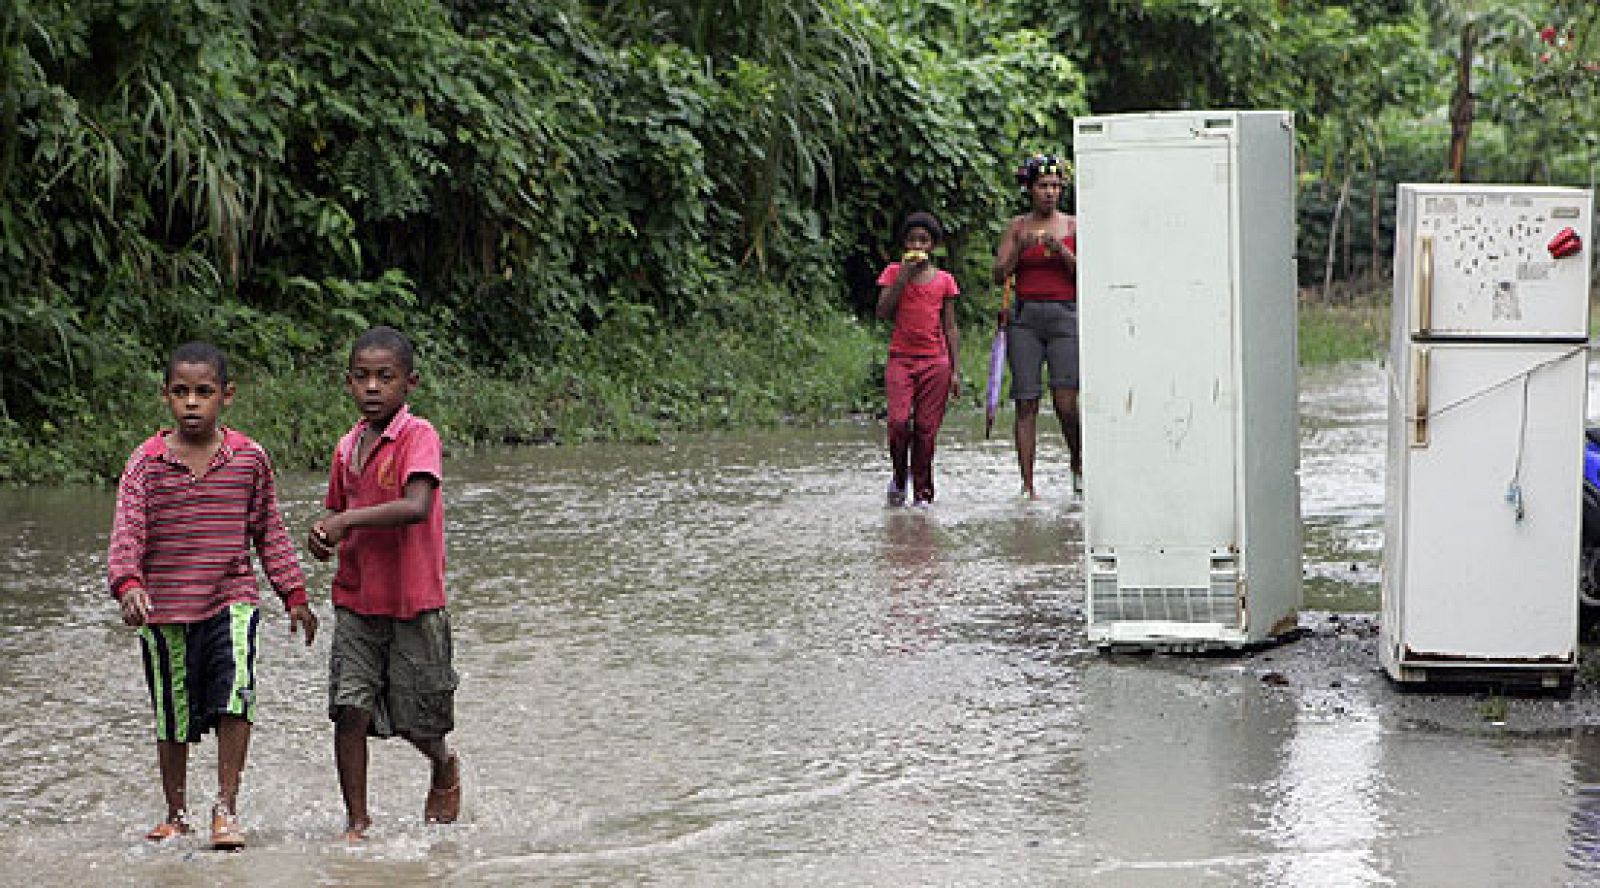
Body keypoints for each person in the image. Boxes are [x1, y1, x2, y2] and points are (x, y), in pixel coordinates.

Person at [107, 341, 318, 850]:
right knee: (171, 713)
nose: (192, 403)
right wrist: (128, 586)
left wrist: (293, 592)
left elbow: (269, 530)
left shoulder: (249, 459)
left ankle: (225, 809)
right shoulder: (146, 463)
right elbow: (127, 534)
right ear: (165, 396)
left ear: (227, 395)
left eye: (204, 392)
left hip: (231, 600)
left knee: (236, 694)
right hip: (164, 609)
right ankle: (176, 814)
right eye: (181, 392)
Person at [306, 325, 460, 841]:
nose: (373, 387)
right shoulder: (346, 447)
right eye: (363, 377)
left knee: (420, 722)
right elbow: (336, 512)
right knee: (349, 710)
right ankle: (357, 821)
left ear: (409, 383)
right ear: (348, 382)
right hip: (356, 600)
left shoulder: (419, 436)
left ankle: (443, 764)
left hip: (414, 603)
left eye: (385, 377)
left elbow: (416, 506)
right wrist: (323, 536)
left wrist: (346, 522)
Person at [992, 152, 1081, 499]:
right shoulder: (1017, 227)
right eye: (1043, 186)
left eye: (1055, 186)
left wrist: (1060, 250)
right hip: (1025, 319)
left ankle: (1078, 461)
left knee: (1065, 402)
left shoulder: (1073, 226)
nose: (1050, 192)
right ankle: (1027, 485)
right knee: (1026, 401)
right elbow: (999, 274)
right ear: (1030, 189)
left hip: (1065, 315)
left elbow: (1086, 273)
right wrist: (1019, 251)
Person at [876, 211, 961, 506]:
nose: (917, 246)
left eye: (923, 241)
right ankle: (900, 477)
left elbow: (950, 327)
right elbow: (882, 312)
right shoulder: (892, 273)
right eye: (912, 240)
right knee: (898, 423)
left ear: (933, 246)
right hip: (901, 359)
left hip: (935, 363)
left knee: (926, 430)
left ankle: (923, 494)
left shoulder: (945, 281)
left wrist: (955, 371)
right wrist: (902, 278)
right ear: (904, 244)